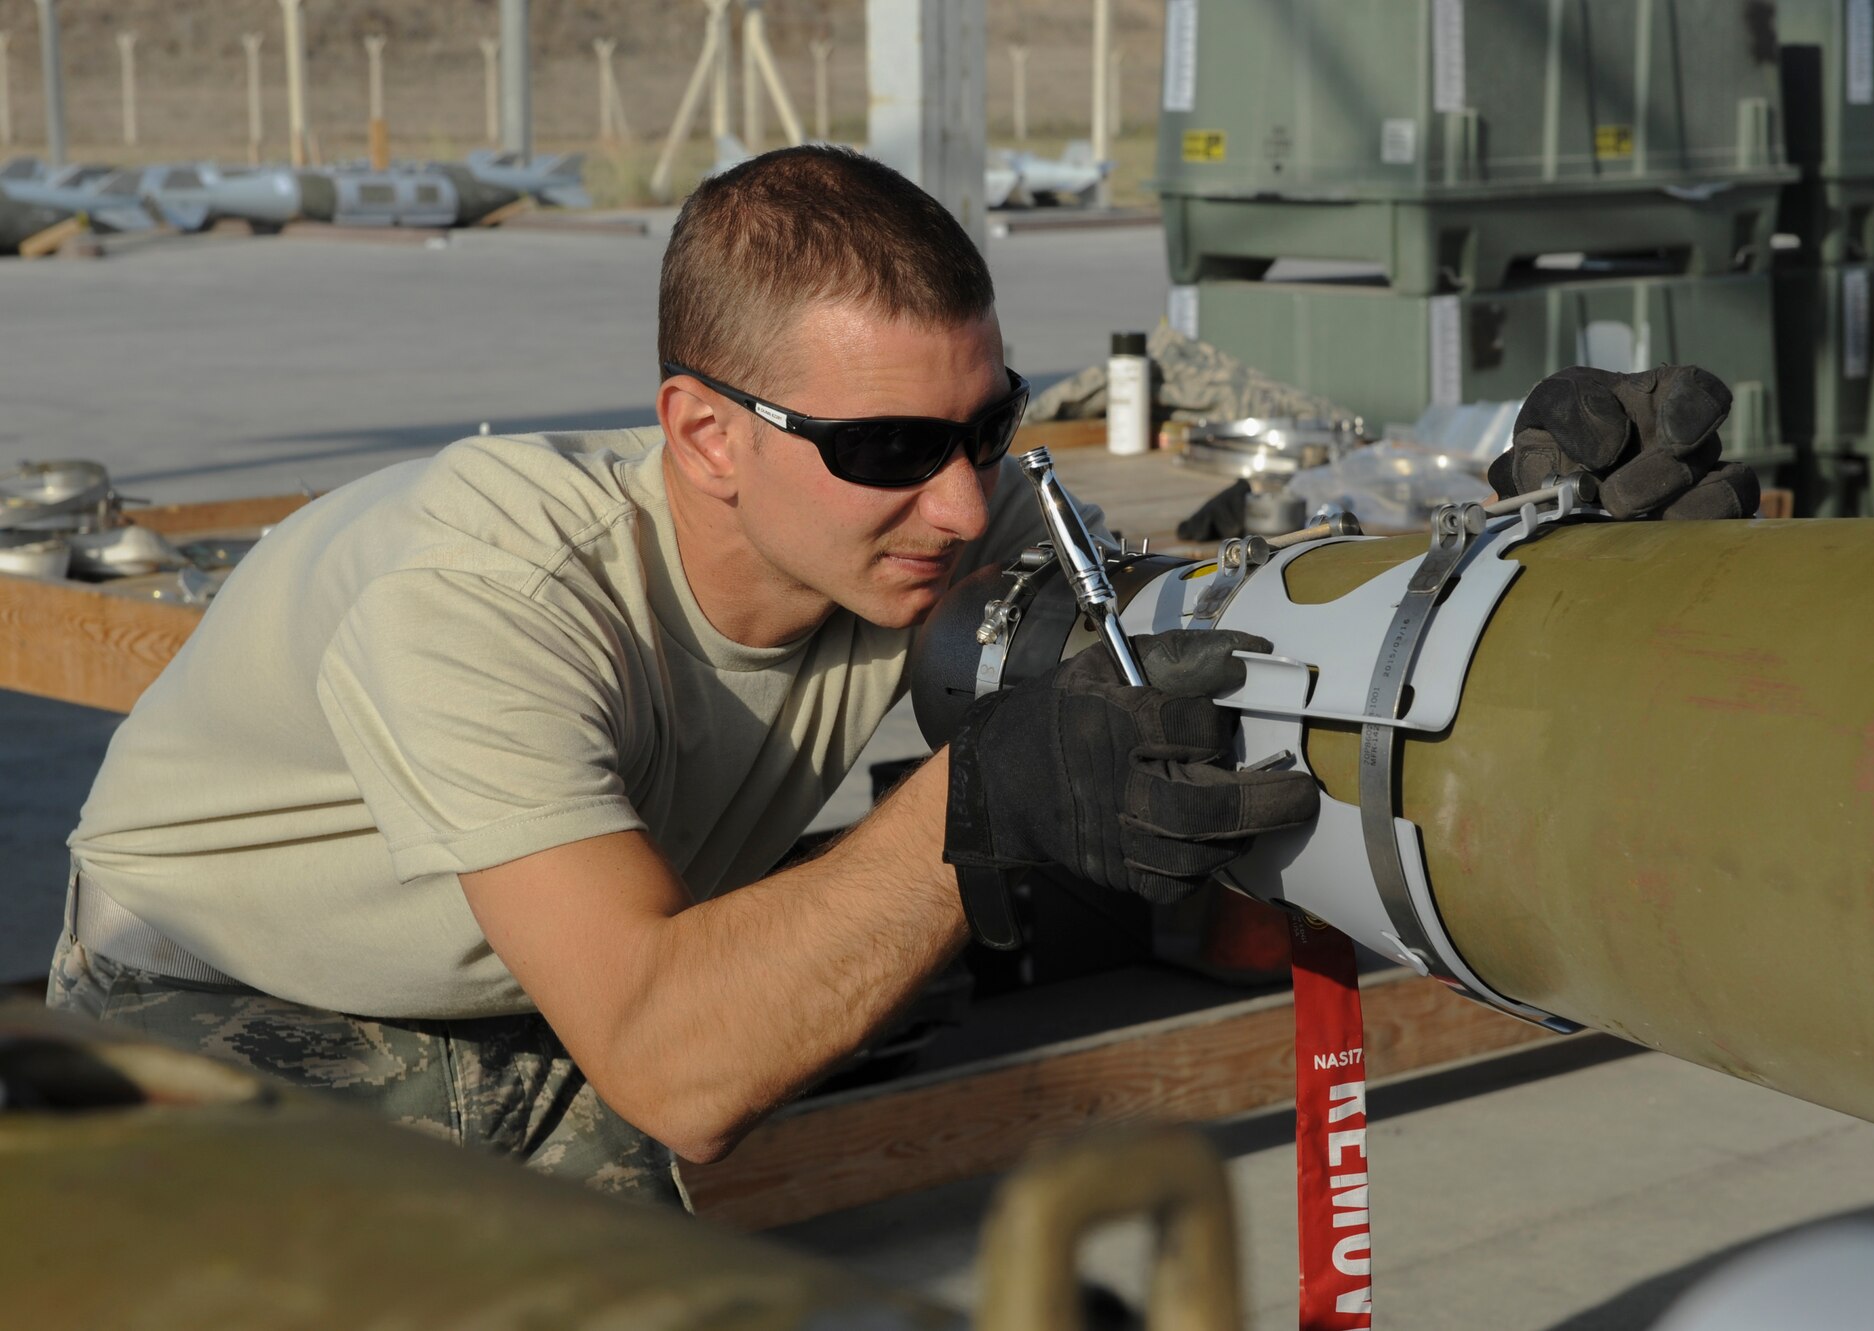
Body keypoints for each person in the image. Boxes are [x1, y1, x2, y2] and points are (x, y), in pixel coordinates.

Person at [45, 146, 1318, 1204]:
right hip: (212, 995)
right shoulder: (482, 595)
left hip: (564, 977)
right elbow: (676, 1071)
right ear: (705, 435)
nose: (955, 499)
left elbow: (1186, 632)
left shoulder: (925, 520)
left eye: (988, 426)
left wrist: (1492, 562)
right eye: (886, 445)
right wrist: (979, 799)